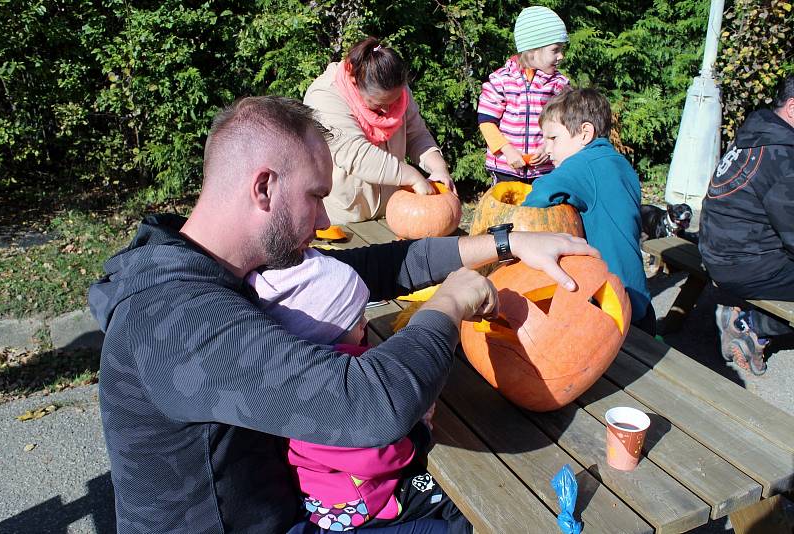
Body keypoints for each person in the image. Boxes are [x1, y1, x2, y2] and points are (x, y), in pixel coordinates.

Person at [88, 95, 597, 533]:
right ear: (263, 188)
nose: (328, 219)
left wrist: (507, 241)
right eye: (315, 197)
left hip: (291, 502)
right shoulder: (178, 319)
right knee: (478, 515)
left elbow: (373, 266)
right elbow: (369, 406)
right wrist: (450, 304)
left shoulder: (213, 260)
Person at [248, 249, 469, 533]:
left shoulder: (301, 378)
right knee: (457, 502)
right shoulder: (328, 399)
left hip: (329, 490)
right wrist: (419, 433)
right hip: (354, 502)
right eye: (356, 318)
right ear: (327, 333)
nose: (366, 322)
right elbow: (377, 456)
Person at [521, 88, 654, 333]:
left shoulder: (582, 165)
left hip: (608, 302)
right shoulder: (618, 163)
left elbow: (537, 198)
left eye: (553, 139)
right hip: (638, 293)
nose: (546, 149)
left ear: (585, 133)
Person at [699, 74, 794, 376]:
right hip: (743, 262)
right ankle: (750, 326)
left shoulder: (759, 135)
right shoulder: (783, 155)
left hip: (718, 250)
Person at [303, 37, 456, 224]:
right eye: (379, 104)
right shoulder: (324, 97)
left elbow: (416, 134)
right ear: (354, 80)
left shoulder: (395, 89)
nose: (387, 111)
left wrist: (439, 168)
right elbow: (356, 154)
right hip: (345, 220)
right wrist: (413, 176)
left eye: (394, 102)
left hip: (392, 213)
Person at [477, 6, 570, 184]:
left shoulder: (559, 85)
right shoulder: (501, 81)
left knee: (543, 210)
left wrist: (548, 146)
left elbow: (565, 123)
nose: (561, 56)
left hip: (544, 169)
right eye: (555, 49)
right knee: (507, 209)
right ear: (533, 49)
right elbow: (487, 122)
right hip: (506, 167)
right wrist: (507, 150)